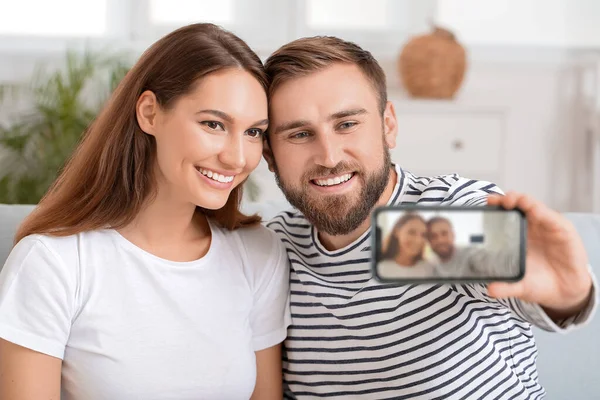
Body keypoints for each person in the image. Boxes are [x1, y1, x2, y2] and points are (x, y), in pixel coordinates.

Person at [262, 35, 597, 398]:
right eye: (299, 133)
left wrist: (569, 296)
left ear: (388, 125)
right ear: (269, 154)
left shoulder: (437, 223)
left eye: (347, 124)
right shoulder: (274, 251)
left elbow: (525, 273)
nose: (328, 156)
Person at [0, 23, 290, 399]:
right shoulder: (54, 263)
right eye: (213, 124)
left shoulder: (258, 254)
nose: (236, 157)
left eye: (253, 132)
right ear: (150, 112)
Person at [427, 216, 521, 279]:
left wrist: (520, 262)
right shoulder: (432, 268)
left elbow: (492, 261)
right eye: (433, 236)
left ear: (453, 235)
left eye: (444, 233)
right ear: (428, 240)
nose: (440, 240)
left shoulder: (469, 255)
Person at [378, 213, 437, 278]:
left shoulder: (429, 268)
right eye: (411, 232)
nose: (418, 240)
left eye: (423, 235)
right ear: (397, 232)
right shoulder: (380, 268)